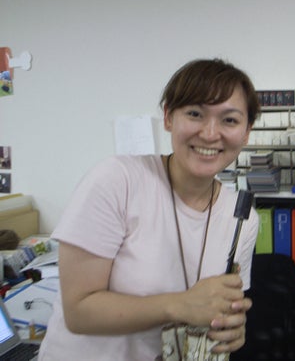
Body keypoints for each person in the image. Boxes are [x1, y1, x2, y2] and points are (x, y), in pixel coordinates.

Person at [39, 59, 261, 361]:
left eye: (230, 120)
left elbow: (221, 307)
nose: (210, 133)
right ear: (168, 117)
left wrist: (231, 329)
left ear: (246, 133)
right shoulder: (118, 180)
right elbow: (78, 312)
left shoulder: (242, 217)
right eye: (195, 114)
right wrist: (179, 305)